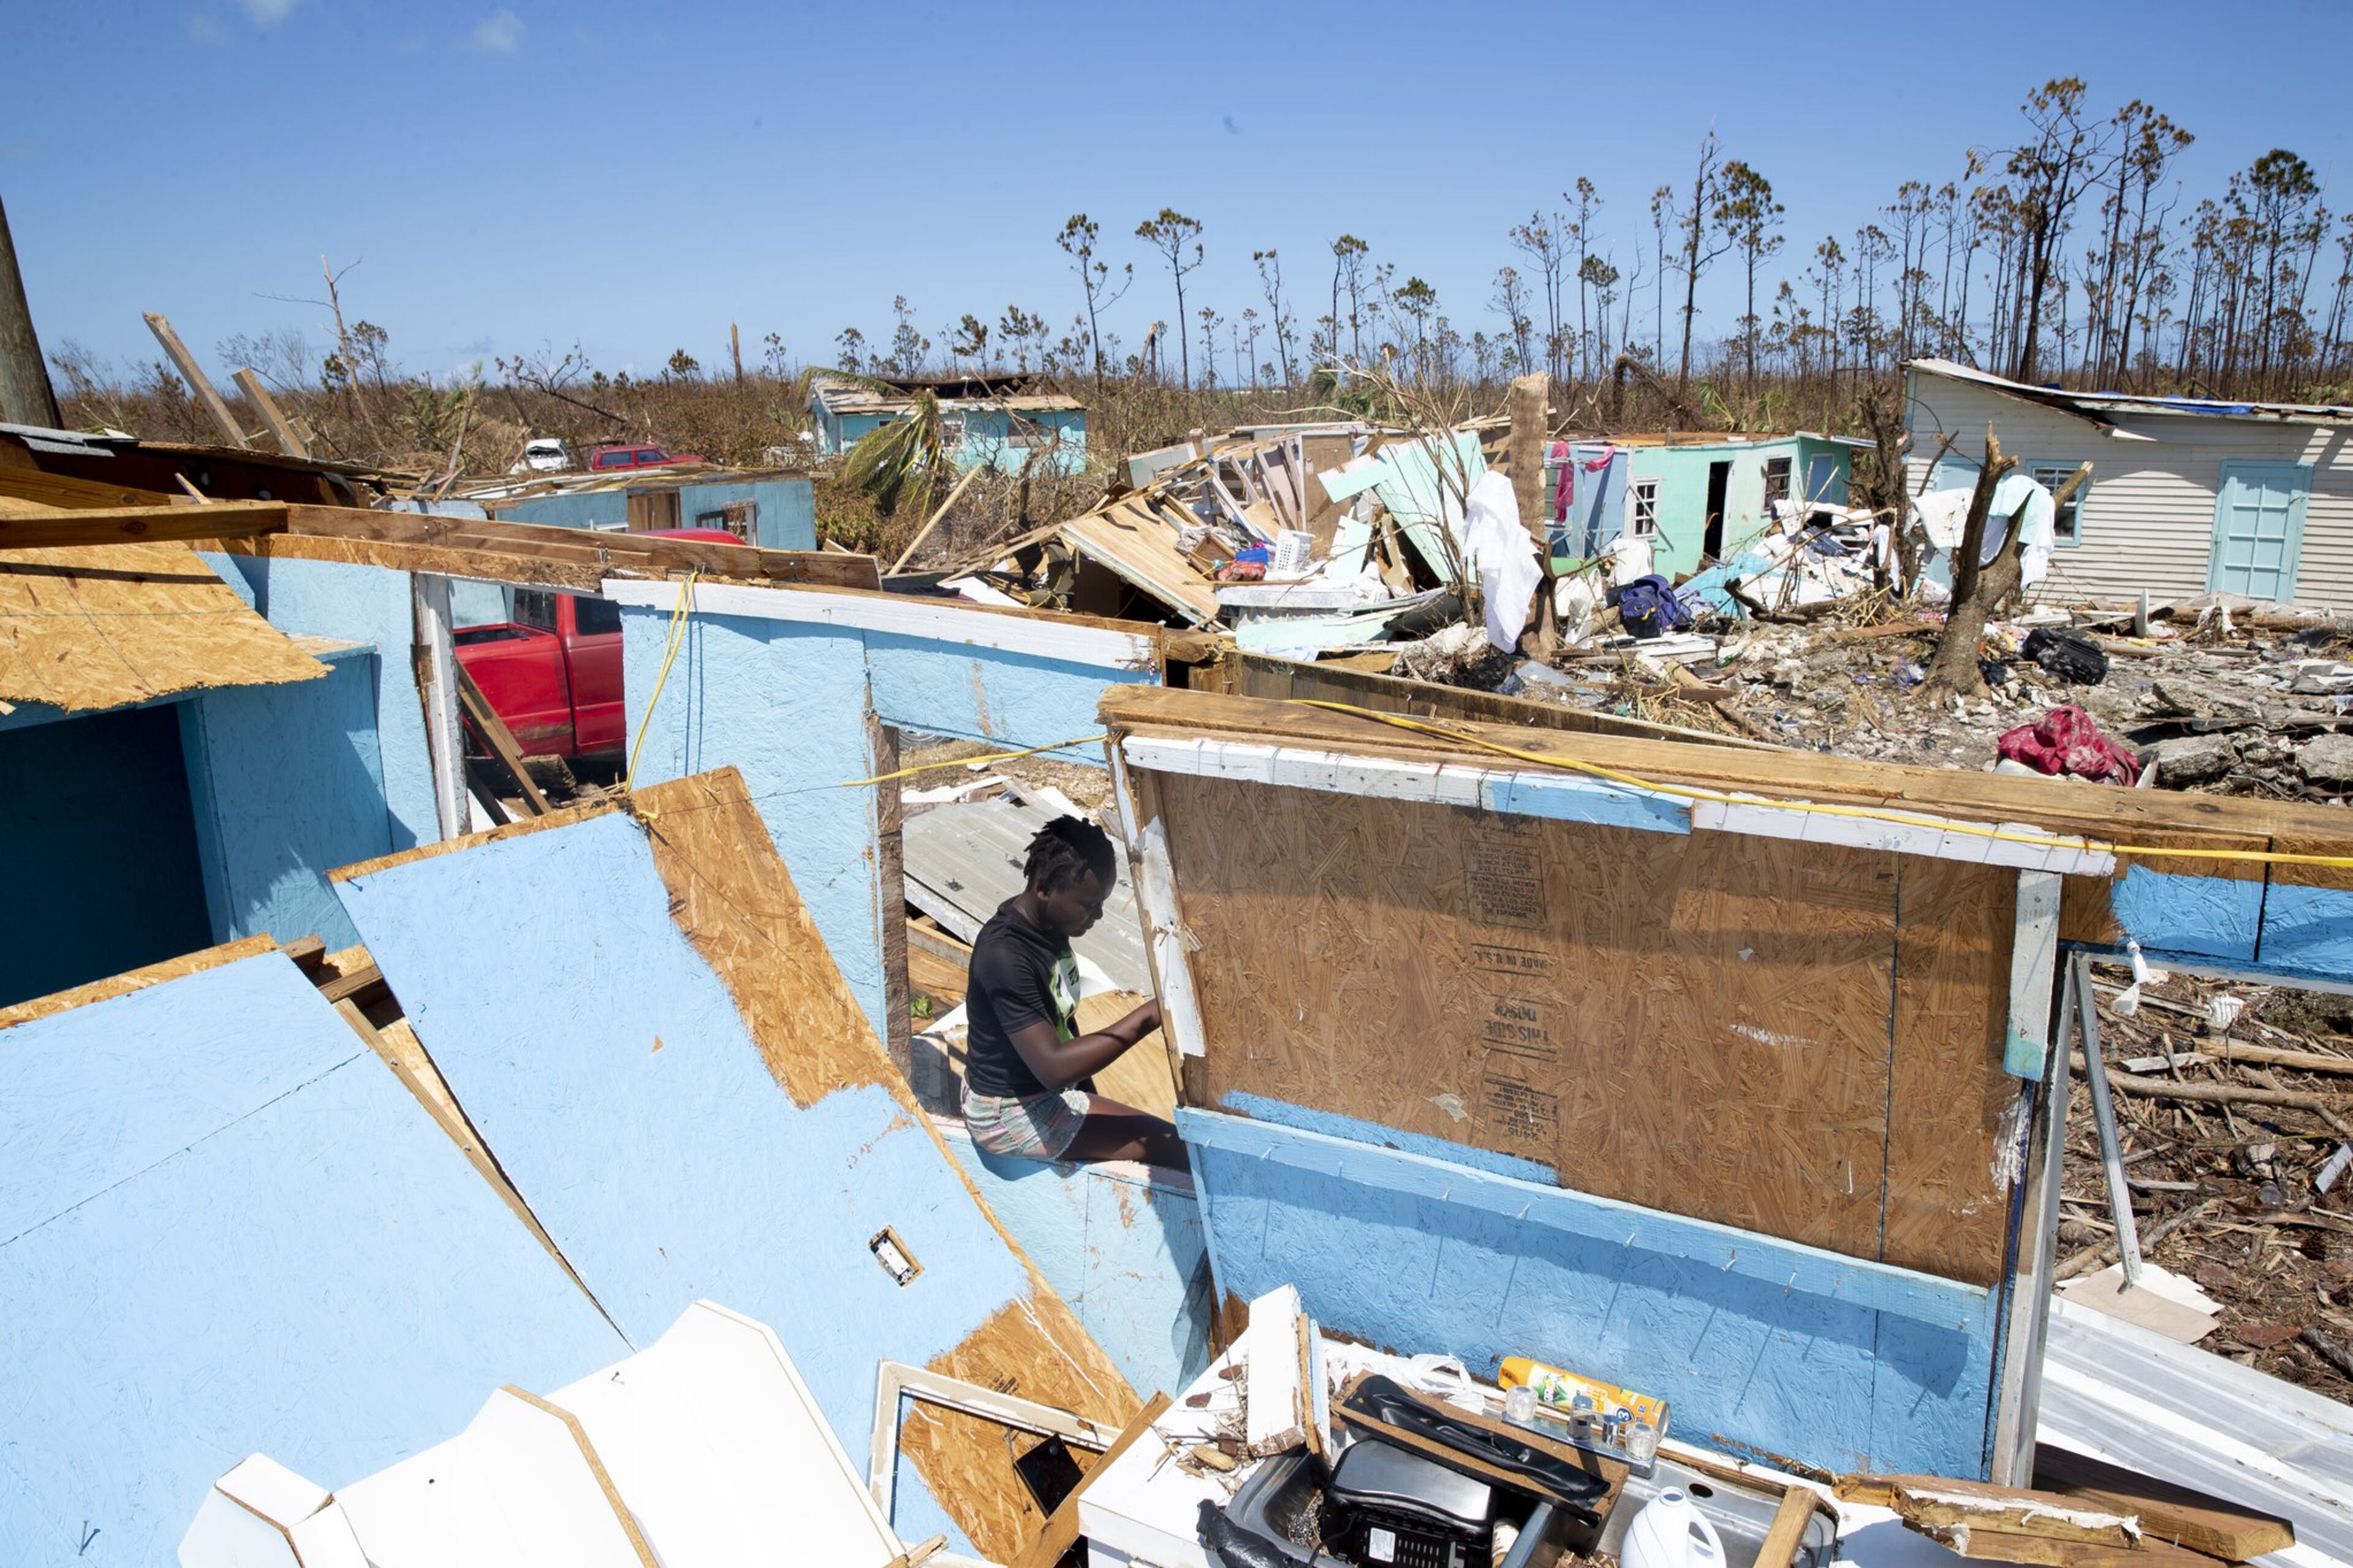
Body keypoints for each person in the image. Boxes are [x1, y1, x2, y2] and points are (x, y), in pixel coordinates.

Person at [961, 815, 1183, 1167]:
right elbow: (1053, 1067)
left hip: (1043, 1088)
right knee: (1177, 1150)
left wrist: (1088, 1098)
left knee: (1164, 1139)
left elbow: (1062, 1023)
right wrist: (1151, 1013)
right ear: (1045, 888)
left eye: (1101, 904)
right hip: (1008, 1113)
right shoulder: (1003, 955)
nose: (1097, 916)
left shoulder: (1048, 925)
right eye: (1088, 905)